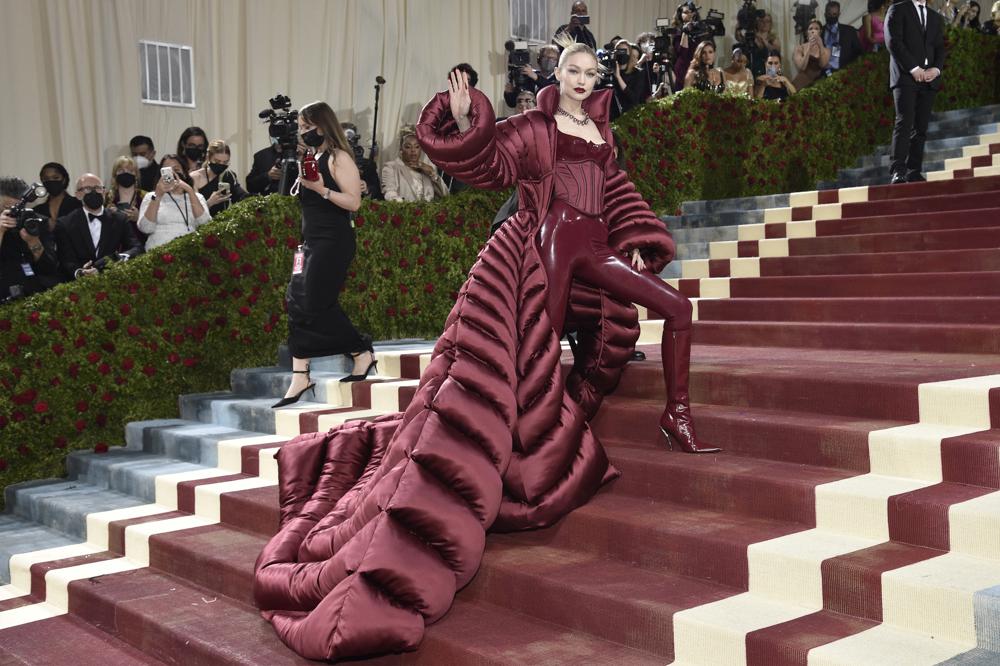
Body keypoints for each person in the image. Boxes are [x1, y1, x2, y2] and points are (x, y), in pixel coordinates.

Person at [255, 37, 716, 664]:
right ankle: (522, 445)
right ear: (557, 74)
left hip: (595, 244)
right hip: (548, 241)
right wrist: (464, 117)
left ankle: (677, 415)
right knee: (532, 348)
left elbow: (616, 188)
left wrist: (635, 236)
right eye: (573, 70)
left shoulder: (602, 128)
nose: (583, 80)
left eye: (591, 71)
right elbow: (489, 164)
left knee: (677, 308)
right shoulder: (536, 126)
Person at [272, 101, 374, 408]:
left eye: (307, 127)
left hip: (333, 241)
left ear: (323, 126)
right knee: (295, 301)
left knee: (315, 302)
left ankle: (360, 351)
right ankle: (301, 375)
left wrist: (321, 189)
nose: (302, 132)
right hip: (310, 242)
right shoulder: (311, 157)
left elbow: (354, 202)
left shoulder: (339, 157)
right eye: (300, 127)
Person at [886, 0, 946, 184]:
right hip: (905, 76)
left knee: (920, 128)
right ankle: (898, 170)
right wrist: (913, 68)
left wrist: (936, 69)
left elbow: (940, 46)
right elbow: (893, 42)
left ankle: (914, 171)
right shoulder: (897, 9)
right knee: (904, 122)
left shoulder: (935, 17)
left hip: (929, 79)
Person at [55, 173, 142, 280]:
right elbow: (65, 259)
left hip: (113, 279)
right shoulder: (65, 223)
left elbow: (136, 247)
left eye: (97, 188)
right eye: (87, 189)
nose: (94, 192)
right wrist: (80, 273)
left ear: (104, 192)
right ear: (78, 195)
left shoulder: (119, 219)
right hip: (80, 284)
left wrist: (117, 259)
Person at [1, 177, 59, 302]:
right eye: (6, 207)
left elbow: (49, 267)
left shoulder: (36, 221)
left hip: (34, 294)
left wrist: (33, 241)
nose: (12, 212)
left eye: (17, 207)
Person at [137, 154, 211, 249]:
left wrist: (190, 190)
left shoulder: (197, 197)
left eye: (176, 169)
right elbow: (146, 228)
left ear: (184, 173)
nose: (172, 174)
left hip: (189, 249)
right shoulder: (151, 196)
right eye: (167, 171)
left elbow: (205, 224)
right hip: (158, 250)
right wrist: (158, 195)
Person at [381, 127, 448, 202]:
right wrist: (408, 207)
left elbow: (445, 196)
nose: (413, 150)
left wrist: (432, 173)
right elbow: (390, 194)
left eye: (417, 147)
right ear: (401, 149)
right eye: (408, 147)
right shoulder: (391, 167)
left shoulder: (426, 170)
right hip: (405, 209)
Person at [191, 140, 248, 216]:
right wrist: (210, 202)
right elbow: (193, 211)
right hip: (203, 221)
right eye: (217, 161)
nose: (221, 165)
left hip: (224, 221)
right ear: (208, 157)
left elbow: (240, 195)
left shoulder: (228, 175)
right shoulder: (195, 177)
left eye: (225, 162)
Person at [105, 156, 147, 246]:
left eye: (130, 171)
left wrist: (138, 218)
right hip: (114, 247)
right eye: (121, 171)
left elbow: (152, 227)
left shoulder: (145, 196)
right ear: (115, 175)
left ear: (136, 175)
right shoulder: (107, 197)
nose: (126, 173)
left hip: (140, 246)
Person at [503, 44, 559, 109]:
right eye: (546, 57)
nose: (549, 61)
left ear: (557, 62)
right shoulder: (529, 75)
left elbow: (551, 89)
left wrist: (536, 77)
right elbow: (512, 103)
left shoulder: (559, 78)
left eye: (553, 58)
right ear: (539, 59)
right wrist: (508, 93)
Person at [31, 162, 81, 232]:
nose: (51, 181)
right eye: (46, 179)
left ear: (64, 180)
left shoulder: (78, 205)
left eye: (56, 177)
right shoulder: (37, 211)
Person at [340, 122, 383, 199]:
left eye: (351, 138)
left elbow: (377, 193)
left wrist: (366, 189)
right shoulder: (328, 161)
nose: (347, 143)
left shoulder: (367, 164)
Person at [822, 1, 865, 76]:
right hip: (822, 74)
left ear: (839, 14)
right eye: (829, 14)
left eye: (834, 14)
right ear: (825, 14)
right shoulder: (819, 32)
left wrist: (851, 69)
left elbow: (858, 52)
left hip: (845, 74)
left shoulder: (850, 31)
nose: (832, 16)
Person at [612, 40, 650, 118]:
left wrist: (618, 78)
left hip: (630, 116)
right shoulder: (612, 70)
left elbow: (634, 98)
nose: (622, 55)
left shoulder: (638, 73)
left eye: (624, 51)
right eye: (619, 51)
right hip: (613, 114)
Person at [792, 19, 832, 90]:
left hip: (819, 84)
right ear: (807, 32)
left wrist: (821, 45)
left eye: (816, 29)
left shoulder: (827, 50)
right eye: (810, 29)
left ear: (820, 32)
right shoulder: (799, 48)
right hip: (802, 83)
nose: (813, 31)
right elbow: (801, 67)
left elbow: (822, 65)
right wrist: (809, 47)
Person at [748, 12, 782, 78]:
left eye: (767, 21)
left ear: (770, 24)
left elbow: (776, 52)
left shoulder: (773, 38)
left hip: (770, 71)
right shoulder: (752, 36)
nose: (765, 23)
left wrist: (764, 41)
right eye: (762, 21)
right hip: (753, 69)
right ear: (757, 23)